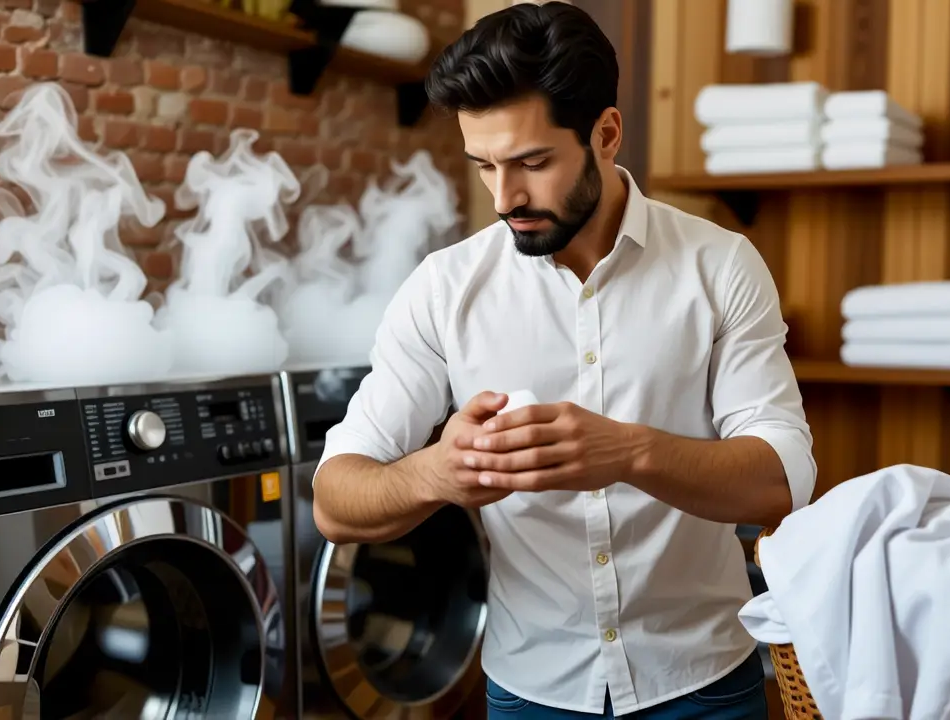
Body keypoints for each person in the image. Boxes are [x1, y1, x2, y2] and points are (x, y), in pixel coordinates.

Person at [311, 3, 816, 718]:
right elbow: (336, 499)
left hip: (704, 681)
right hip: (531, 691)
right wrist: (441, 472)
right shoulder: (443, 289)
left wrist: (628, 453)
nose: (503, 197)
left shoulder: (720, 267)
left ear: (606, 134)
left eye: (532, 162)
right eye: (484, 165)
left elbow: (781, 480)